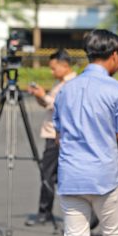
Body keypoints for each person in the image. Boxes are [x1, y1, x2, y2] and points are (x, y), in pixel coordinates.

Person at [53, 29, 118, 236]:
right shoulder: (117, 90)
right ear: (113, 56)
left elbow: (59, 136)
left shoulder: (66, 90)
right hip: (105, 176)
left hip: (71, 175)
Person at [24, 48, 77, 226]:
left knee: (49, 173)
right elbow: (49, 105)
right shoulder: (59, 83)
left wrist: (44, 97)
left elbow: (63, 106)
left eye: (54, 68)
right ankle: (45, 210)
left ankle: (45, 211)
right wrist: (40, 96)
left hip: (59, 135)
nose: (51, 72)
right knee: (48, 173)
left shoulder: (73, 83)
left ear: (65, 65)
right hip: (51, 132)